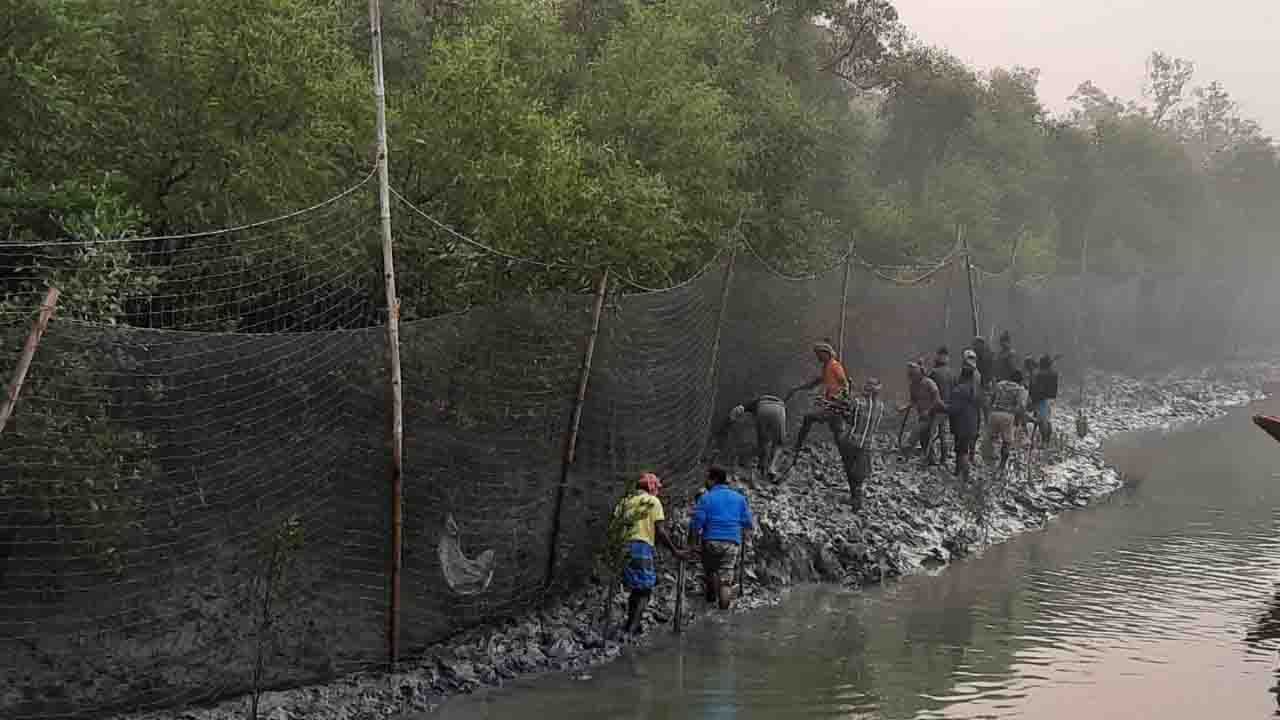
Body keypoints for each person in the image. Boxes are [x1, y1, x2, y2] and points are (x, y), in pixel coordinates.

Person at [612, 473, 689, 635]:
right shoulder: (653, 502)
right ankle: (632, 630)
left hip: (623, 546)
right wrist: (675, 551)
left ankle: (631, 625)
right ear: (651, 487)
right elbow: (660, 531)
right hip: (641, 546)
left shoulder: (625, 501)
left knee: (635, 588)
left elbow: (615, 526)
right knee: (645, 590)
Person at [691, 466, 754, 610]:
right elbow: (748, 523)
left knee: (711, 571)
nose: (705, 482)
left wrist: (693, 543)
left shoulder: (706, 497)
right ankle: (723, 614)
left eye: (707, 478)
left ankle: (711, 600)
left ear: (713, 480)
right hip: (732, 542)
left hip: (710, 540)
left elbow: (697, 522)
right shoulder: (739, 498)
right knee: (726, 581)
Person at [785, 340, 850, 459]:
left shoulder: (835, 365)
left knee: (810, 419)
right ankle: (847, 455)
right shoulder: (826, 367)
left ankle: (797, 447)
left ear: (826, 353)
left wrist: (839, 398)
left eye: (819, 354)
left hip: (835, 406)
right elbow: (816, 382)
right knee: (837, 433)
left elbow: (845, 384)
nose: (817, 357)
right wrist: (798, 388)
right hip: (830, 405)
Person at [713, 394, 787, 480]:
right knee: (779, 443)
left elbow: (737, 411)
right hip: (779, 409)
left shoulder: (750, 404)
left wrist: (727, 423)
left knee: (763, 441)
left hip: (763, 408)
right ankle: (771, 468)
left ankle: (762, 467)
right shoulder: (756, 402)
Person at [838, 377, 886, 509]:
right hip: (868, 444)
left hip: (852, 441)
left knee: (850, 470)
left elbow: (849, 419)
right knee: (860, 472)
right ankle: (856, 498)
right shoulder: (881, 406)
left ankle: (855, 499)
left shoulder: (858, 402)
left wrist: (842, 411)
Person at [984, 369, 1029, 473]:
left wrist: (989, 411)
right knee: (1007, 442)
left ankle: (989, 463)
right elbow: (1021, 406)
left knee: (991, 438)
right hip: (1008, 416)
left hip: (994, 414)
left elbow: (991, 398)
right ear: (1020, 380)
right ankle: (1001, 466)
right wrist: (1021, 421)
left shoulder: (1000, 384)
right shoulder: (1020, 389)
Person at [902, 362, 944, 465]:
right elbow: (913, 400)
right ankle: (931, 459)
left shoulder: (929, 383)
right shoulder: (913, 385)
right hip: (923, 414)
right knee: (924, 437)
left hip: (935, 413)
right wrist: (905, 407)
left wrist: (929, 411)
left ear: (920, 373)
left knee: (917, 432)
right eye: (911, 376)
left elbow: (937, 400)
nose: (913, 378)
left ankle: (906, 453)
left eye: (914, 375)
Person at [946, 365, 982, 483]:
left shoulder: (958, 390)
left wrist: (943, 407)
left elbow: (953, 409)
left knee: (962, 451)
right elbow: (979, 409)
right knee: (961, 449)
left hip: (960, 424)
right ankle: (957, 471)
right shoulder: (976, 391)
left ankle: (965, 476)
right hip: (972, 424)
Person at [927, 347, 955, 464]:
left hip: (936, 407)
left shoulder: (934, 372)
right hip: (947, 408)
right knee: (943, 434)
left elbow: (928, 389)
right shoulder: (951, 373)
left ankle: (931, 458)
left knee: (930, 433)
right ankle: (944, 458)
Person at [1030, 354, 1060, 442]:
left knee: (1042, 421)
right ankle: (1046, 439)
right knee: (1046, 420)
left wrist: (1032, 398)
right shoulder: (1054, 373)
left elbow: (1033, 387)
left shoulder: (1038, 374)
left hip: (1041, 399)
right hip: (1051, 398)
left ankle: (1045, 440)